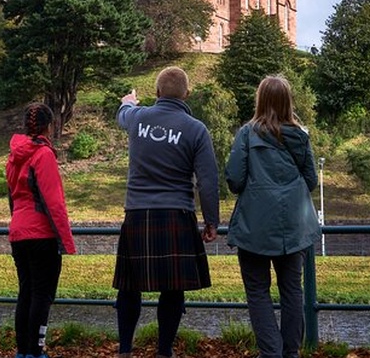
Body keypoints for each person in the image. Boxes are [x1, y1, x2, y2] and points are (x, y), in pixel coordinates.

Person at [113, 66, 220, 358]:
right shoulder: (197, 129)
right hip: (177, 213)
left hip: (137, 212)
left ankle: (124, 350)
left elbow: (122, 114)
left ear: (158, 92)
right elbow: (208, 181)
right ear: (187, 94)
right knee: (173, 289)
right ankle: (164, 351)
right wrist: (212, 221)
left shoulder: (138, 118)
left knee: (129, 286)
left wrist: (128, 101)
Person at [225, 75, 321, 358]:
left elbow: (234, 179)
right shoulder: (301, 136)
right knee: (292, 291)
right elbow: (311, 180)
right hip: (293, 227)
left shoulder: (247, 134)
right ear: (288, 101)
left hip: (255, 225)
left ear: (260, 100)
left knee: (257, 291)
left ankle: (271, 353)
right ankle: (290, 353)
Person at [6, 102, 76, 358]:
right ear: (50, 126)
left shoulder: (14, 156)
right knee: (42, 295)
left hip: (18, 232)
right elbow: (54, 201)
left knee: (26, 292)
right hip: (41, 234)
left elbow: (12, 197)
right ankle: (37, 351)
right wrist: (66, 242)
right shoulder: (44, 155)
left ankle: (23, 351)